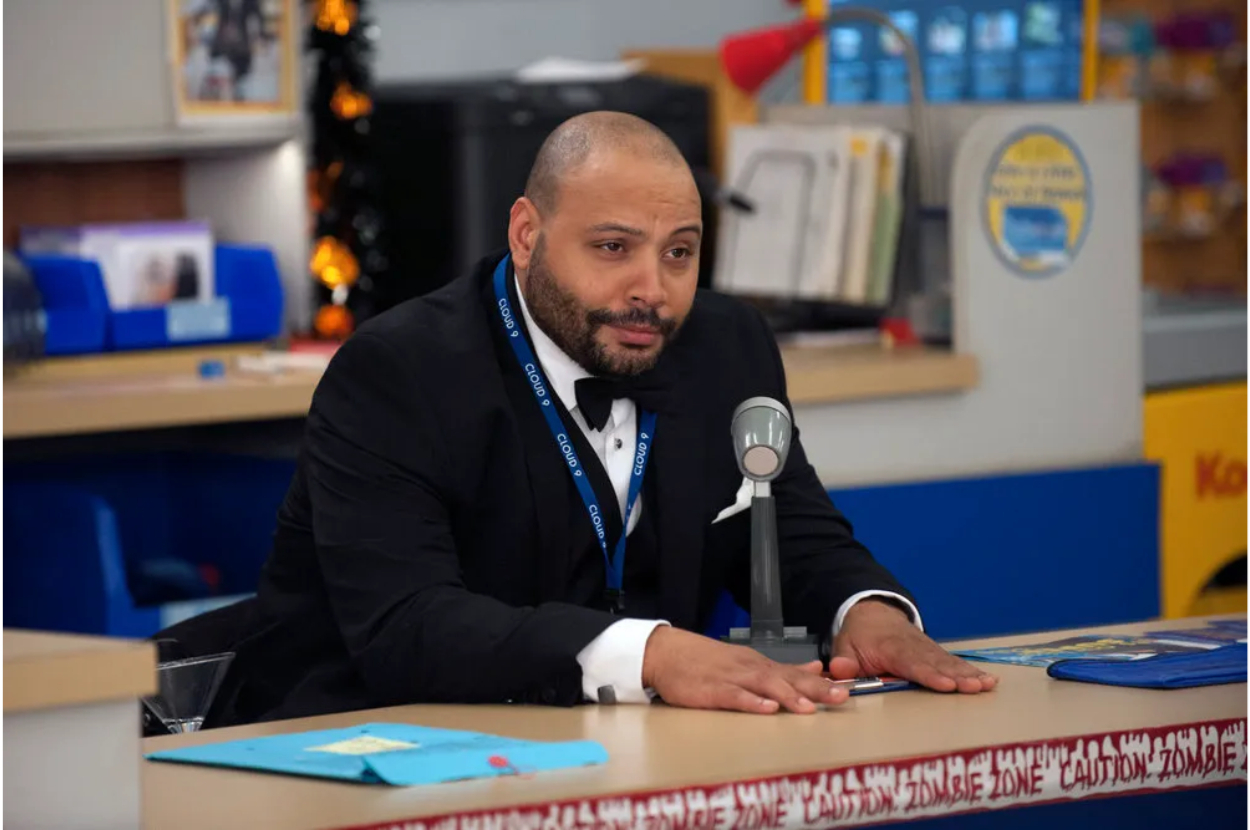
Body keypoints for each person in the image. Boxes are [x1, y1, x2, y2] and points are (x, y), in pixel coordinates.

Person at [188, 111, 996, 726]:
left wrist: (869, 614)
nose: (653, 287)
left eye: (680, 252)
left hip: (604, 750)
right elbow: (409, 626)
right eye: (614, 248)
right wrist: (651, 653)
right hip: (356, 747)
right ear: (527, 235)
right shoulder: (397, 373)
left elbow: (784, 524)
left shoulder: (726, 346)